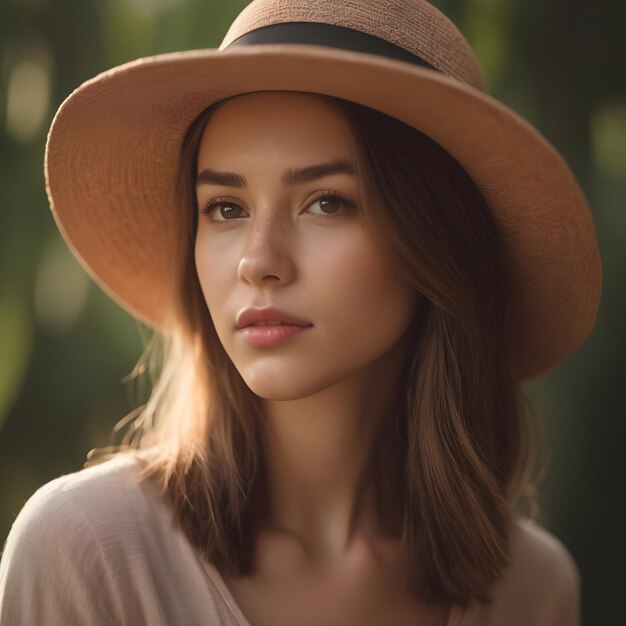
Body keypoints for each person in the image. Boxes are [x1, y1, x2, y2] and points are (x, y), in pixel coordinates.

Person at [0, 0, 601, 624]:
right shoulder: (85, 551)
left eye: (327, 202)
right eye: (226, 208)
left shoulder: (532, 590)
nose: (258, 262)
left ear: (436, 239)